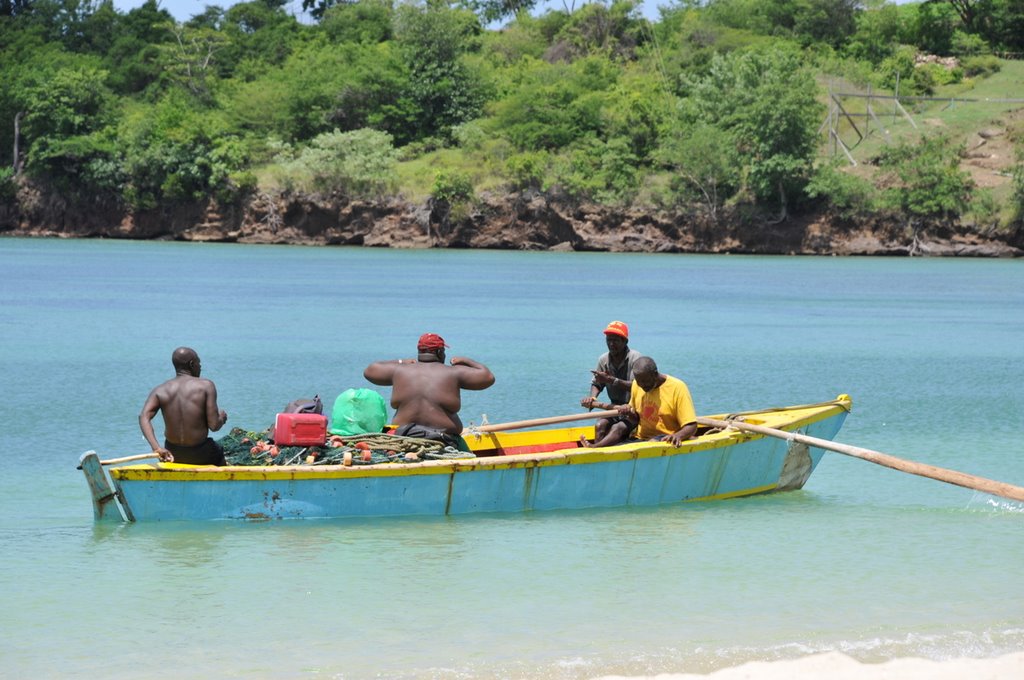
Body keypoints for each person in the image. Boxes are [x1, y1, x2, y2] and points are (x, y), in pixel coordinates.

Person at [363, 333, 495, 450]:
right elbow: (488, 377)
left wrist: (402, 361)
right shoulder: (453, 372)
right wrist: (465, 360)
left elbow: (370, 370)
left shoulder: (399, 370)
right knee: (470, 458)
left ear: (419, 351)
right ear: (439, 352)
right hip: (444, 440)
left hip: (403, 438)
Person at [139, 347, 229, 465]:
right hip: (202, 453)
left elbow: (143, 417)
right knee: (218, 452)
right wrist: (222, 418)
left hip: (172, 453)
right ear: (192, 364)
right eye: (199, 362)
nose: (200, 366)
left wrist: (157, 448)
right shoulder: (206, 386)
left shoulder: (160, 390)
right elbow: (214, 426)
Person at [579, 320, 641, 448]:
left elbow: (637, 387)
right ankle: (598, 457)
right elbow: (597, 383)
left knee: (617, 428)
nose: (611, 344)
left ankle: (594, 448)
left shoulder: (635, 358)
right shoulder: (603, 360)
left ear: (625, 341)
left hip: (634, 410)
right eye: (608, 340)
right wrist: (592, 397)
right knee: (600, 425)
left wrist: (612, 380)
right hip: (614, 409)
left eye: (616, 341)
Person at [624, 356, 698, 447]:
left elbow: (692, 426)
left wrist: (678, 436)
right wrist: (628, 412)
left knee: (653, 442)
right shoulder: (636, 384)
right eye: (639, 382)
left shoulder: (677, 387)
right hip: (641, 438)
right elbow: (636, 418)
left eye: (646, 381)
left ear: (655, 374)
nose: (642, 386)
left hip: (665, 437)